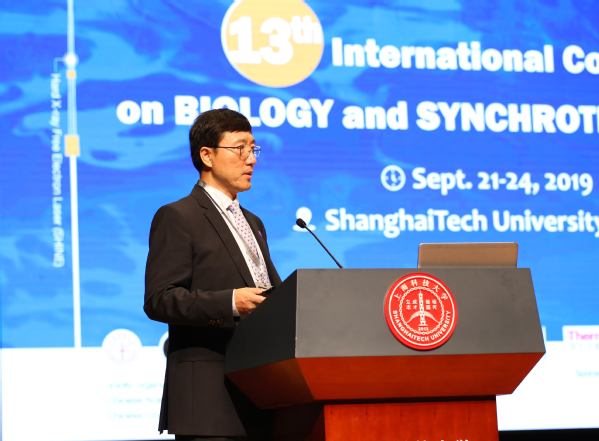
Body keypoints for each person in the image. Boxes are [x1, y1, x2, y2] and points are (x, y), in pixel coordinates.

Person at [144, 108, 282, 441]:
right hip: (209, 401)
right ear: (207, 155)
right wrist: (231, 303)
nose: (251, 159)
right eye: (240, 148)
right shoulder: (178, 216)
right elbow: (159, 299)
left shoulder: (254, 222)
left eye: (253, 149)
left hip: (261, 394)